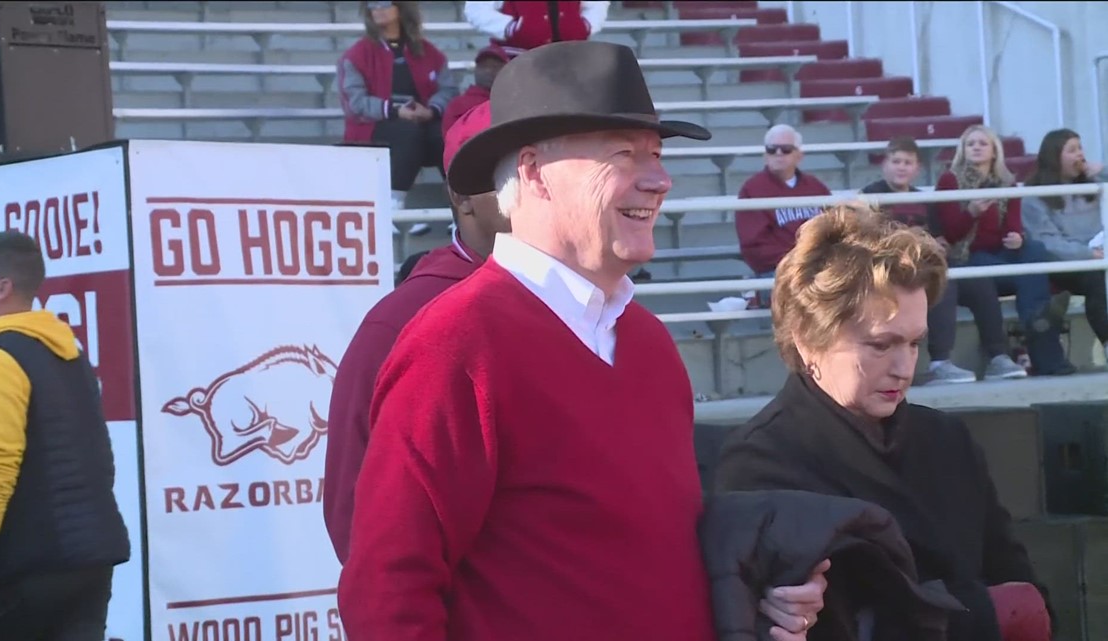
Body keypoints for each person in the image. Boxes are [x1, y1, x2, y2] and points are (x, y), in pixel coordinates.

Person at [341, 40, 827, 641]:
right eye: (625, 154)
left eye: (657, 155)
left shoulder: (647, 340)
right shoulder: (455, 346)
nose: (660, 180)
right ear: (533, 174)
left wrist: (758, 594)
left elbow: (648, 552)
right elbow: (387, 593)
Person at [717, 205, 1053, 641]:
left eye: (915, 343)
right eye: (880, 345)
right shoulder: (756, 467)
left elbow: (1027, 592)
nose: (904, 367)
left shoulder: (949, 440)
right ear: (807, 339)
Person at [324, 101, 508, 564]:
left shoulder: (603, 309)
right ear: (461, 196)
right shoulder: (401, 320)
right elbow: (357, 518)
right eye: (512, 174)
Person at [0, 231, 130, 640]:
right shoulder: (69, 353)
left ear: (2, 287)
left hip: (22, 569)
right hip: (91, 561)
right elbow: (99, 459)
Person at [861, 136, 1026, 384]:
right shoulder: (869, 196)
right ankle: (940, 363)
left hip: (926, 264)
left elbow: (940, 236)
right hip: (891, 270)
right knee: (943, 283)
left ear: (917, 169)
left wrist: (940, 243)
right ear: (884, 165)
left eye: (908, 162)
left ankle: (998, 357)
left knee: (979, 281)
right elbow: (865, 240)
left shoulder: (925, 200)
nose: (901, 167)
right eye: (896, 161)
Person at [935, 124, 1075, 376]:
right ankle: (1045, 350)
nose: (976, 148)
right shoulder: (949, 180)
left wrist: (1017, 238)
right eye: (970, 144)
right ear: (963, 150)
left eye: (982, 144)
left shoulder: (1007, 182)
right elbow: (951, 233)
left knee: (1033, 250)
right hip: (969, 258)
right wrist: (972, 213)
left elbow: (1013, 225)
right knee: (1031, 279)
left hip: (1001, 255)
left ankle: (1040, 334)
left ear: (994, 151)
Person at [338, 0, 458, 235]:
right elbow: (355, 103)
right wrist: (394, 110)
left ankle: (462, 209)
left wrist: (432, 110)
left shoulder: (428, 52)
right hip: (375, 125)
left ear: (401, 8)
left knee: (445, 134)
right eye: (372, 5)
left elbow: (448, 90)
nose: (377, 8)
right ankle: (394, 208)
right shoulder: (356, 55)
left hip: (421, 119)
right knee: (408, 132)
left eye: (384, 3)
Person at [1022, 128, 1108, 361]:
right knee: (1098, 280)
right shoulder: (1034, 196)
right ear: (1054, 156)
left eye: (1080, 148)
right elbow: (1048, 243)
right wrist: (1088, 254)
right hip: (1067, 263)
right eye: (1072, 150)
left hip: (1101, 255)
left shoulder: (1094, 184)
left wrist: (1103, 173)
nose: (1079, 154)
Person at [735, 124, 832, 300]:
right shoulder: (752, 190)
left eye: (786, 149)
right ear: (765, 155)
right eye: (772, 150)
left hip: (819, 267)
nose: (778, 154)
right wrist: (797, 260)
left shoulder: (816, 187)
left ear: (799, 156)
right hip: (779, 272)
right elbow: (754, 247)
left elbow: (834, 228)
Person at [463, 1, 610, 57]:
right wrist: (511, 28)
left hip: (570, 57)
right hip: (517, 59)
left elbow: (598, 5)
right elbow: (476, 9)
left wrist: (586, 25)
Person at [441, 45, 511, 134]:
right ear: (475, 70)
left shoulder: (514, 103)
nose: (488, 71)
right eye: (484, 66)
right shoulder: (458, 106)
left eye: (495, 66)